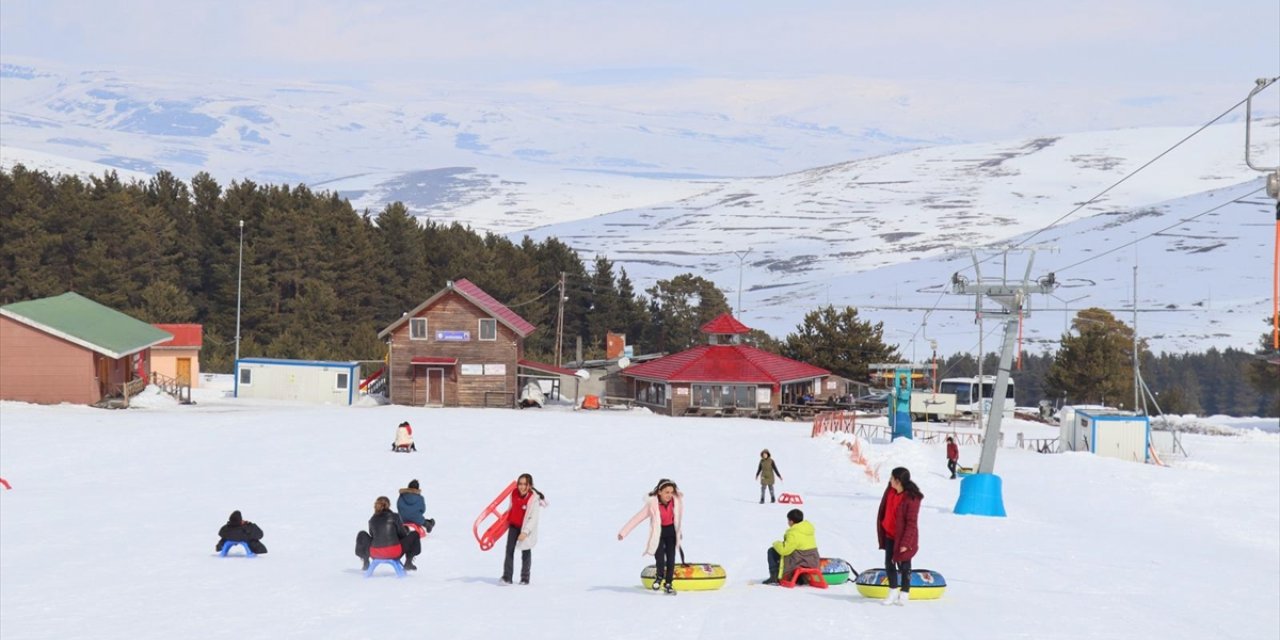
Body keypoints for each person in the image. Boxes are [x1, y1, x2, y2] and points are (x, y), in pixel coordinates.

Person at [618, 478, 683, 595]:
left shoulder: (676, 502)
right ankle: (659, 576)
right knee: (659, 558)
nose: (669, 495)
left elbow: (678, 518)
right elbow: (637, 518)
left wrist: (678, 532)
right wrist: (623, 532)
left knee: (671, 559)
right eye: (666, 492)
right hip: (658, 534)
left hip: (671, 533)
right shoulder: (652, 505)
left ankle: (668, 583)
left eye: (671, 492)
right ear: (659, 492)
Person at [876, 467, 923, 606]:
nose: (889, 480)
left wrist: (905, 543)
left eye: (891, 478)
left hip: (903, 538)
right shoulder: (890, 491)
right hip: (889, 534)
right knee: (889, 563)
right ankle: (892, 591)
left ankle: (904, 592)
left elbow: (911, 523)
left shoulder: (911, 499)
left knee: (904, 565)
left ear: (898, 481)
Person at [501, 473, 545, 586]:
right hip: (513, 526)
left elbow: (533, 518)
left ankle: (525, 578)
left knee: (526, 550)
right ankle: (507, 576)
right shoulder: (514, 493)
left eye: (524, 484)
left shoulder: (533, 499)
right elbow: (511, 508)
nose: (521, 486)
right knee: (509, 550)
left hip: (525, 528)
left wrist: (525, 532)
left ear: (529, 485)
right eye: (520, 484)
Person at [355, 496, 420, 571]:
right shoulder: (395, 516)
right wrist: (405, 530)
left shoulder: (372, 520)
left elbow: (373, 536)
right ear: (388, 505)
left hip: (375, 553)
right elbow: (402, 535)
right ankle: (408, 562)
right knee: (415, 534)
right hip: (394, 552)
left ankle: (365, 560)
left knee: (362, 534)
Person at [763, 508, 819, 585]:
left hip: (800, 562)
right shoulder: (807, 529)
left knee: (772, 551)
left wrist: (776, 543)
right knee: (793, 552)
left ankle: (774, 576)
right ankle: (800, 577)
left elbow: (784, 550)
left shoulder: (793, 533)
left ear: (791, 521)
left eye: (788, 520)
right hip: (812, 561)